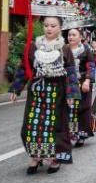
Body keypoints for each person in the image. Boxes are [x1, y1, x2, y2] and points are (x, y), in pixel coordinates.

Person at [9, 16, 81, 174]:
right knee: (32, 124)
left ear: (60, 28)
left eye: (53, 25)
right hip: (37, 91)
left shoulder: (65, 48)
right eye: (46, 25)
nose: (49, 28)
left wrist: (71, 95)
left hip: (57, 93)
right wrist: (16, 88)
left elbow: (71, 73)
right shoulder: (34, 46)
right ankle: (36, 156)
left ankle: (54, 158)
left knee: (54, 126)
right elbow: (24, 68)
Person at [66, 27, 96, 147]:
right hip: (68, 83)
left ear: (80, 38)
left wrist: (87, 80)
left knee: (82, 109)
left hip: (83, 82)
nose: (71, 37)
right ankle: (71, 133)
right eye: (69, 35)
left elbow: (91, 65)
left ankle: (81, 134)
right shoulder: (64, 49)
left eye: (74, 35)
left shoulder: (86, 50)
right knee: (70, 109)